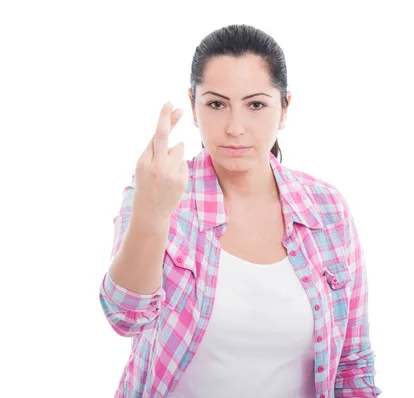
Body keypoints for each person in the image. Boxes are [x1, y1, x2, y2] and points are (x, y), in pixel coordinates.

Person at [99, 24, 381, 398]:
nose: (235, 128)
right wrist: (152, 215)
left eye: (256, 105)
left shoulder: (327, 210)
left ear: (284, 108)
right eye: (217, 104)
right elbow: (125, 317)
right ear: (194, 106)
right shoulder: (158, 192)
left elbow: (352, 363)